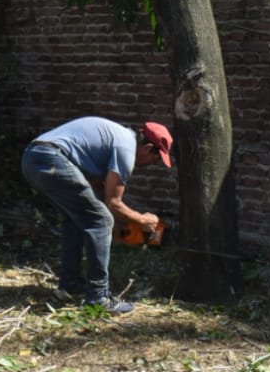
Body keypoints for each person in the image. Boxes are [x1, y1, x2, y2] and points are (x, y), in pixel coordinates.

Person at [22, 115, 173, 315]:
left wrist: (119, 220)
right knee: (101, 222)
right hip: (51, 158)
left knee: (76, 219)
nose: (152, 164)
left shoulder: (119, 138)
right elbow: (114, 202)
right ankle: (98, 297)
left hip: (34, 157)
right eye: (156, 158)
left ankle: (70, 285)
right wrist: (143, 220)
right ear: (147, 148)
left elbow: (96, 187)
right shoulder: (126, 150)